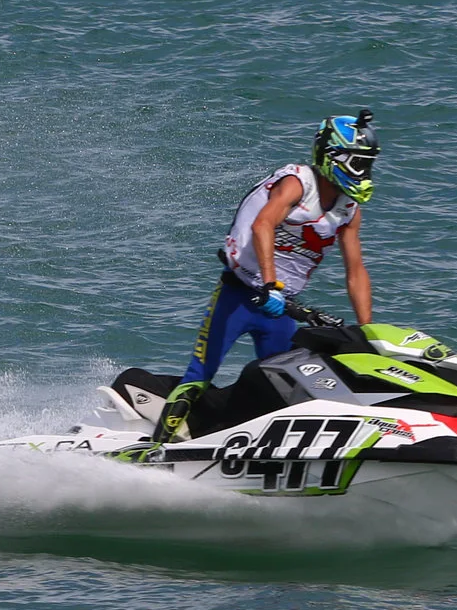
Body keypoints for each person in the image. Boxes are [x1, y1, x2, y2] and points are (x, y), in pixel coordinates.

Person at [131, 114, 381, 439]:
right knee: (200, 373)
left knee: (287, 384)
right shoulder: (297, 183)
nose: (363, 172)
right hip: (239, 296)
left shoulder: (348, 209)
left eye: (367, 164)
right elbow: (262, 224)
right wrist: (270, 286)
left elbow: (356, 270)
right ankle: (155, 447)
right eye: (358, 163)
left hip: (278, 310)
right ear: (332, 157)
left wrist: (366, 331)